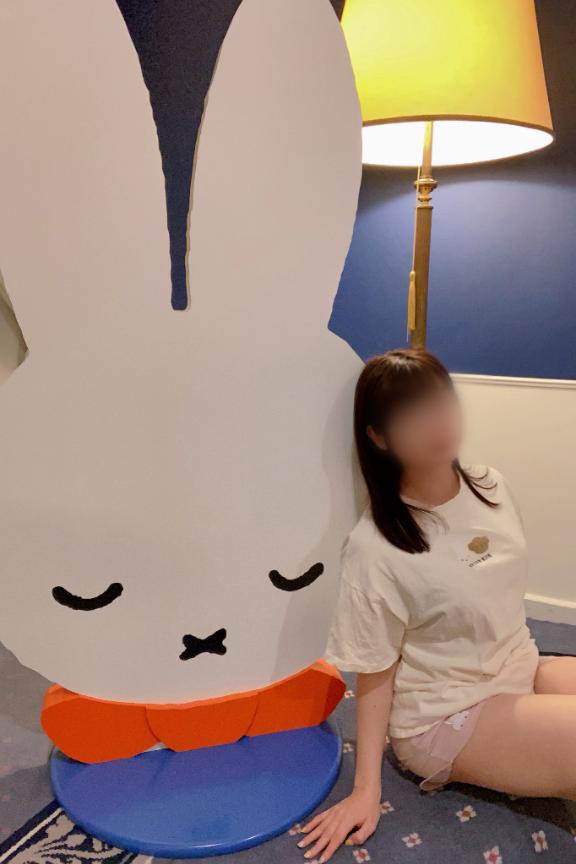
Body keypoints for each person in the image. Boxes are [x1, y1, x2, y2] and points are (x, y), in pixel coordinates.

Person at [296, 347, 576, 864]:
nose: (436, 422)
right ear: (379, 437)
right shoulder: (375, 548)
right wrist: (366, 788)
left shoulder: (490, 483)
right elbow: (375, 669)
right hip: (446, 711)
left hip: (519, 664)